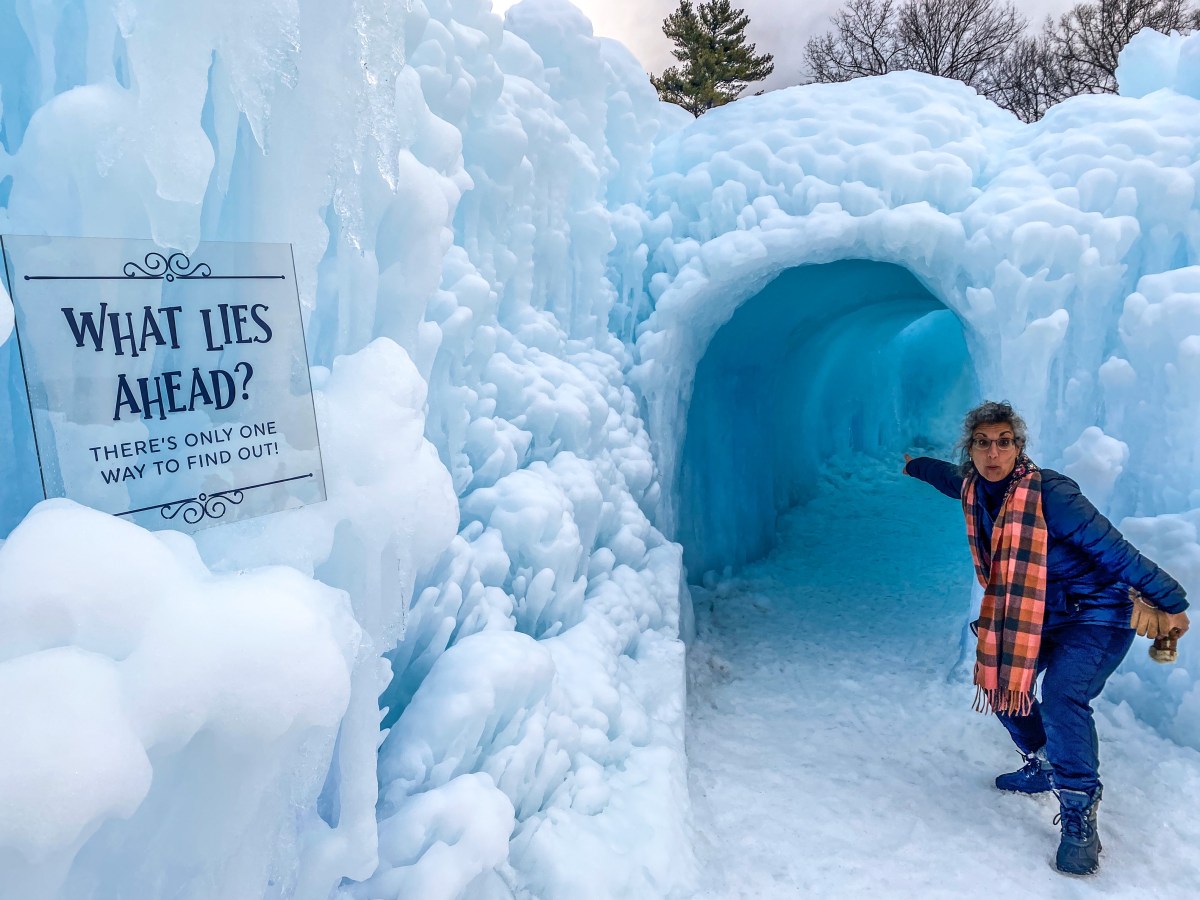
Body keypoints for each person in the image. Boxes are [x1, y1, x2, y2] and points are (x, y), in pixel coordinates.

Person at [903, 400, 1189, 876]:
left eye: (1004, 442)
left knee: (1062, 697)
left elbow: (1114, 551)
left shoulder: (1050, 493)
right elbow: (945, 478)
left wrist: (1172, 600)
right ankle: (1044, 762)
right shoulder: (975, 486)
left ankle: (1078, 813)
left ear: (1019, 447)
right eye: (982, 443)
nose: (993, 453)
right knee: (997, 678)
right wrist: (914, 466)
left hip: (1094, 614)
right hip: (1033, 617)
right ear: (970, 450)